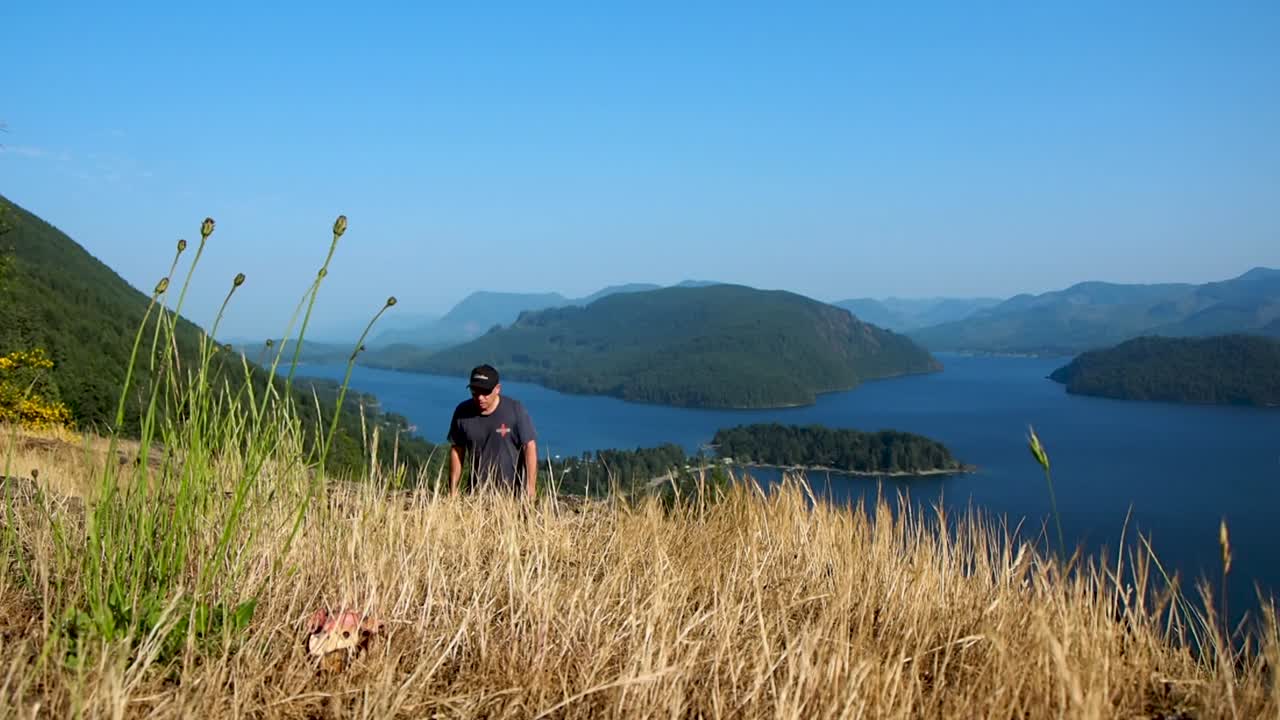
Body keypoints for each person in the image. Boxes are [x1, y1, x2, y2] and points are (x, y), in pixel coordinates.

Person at [447, 364, 538, 499]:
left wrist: (530, 488)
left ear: (497, 389)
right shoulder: (462, 412)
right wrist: (452, 491)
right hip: (476, 495)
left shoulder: (515, 410)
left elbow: (529, 446)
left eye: (485, 392)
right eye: (475, 392)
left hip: (513, 496)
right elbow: (457, 450)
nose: (480, 397)